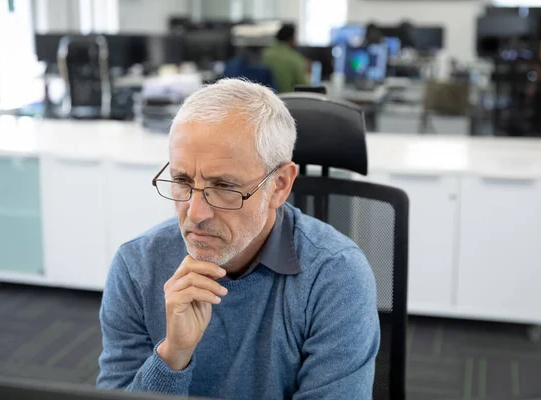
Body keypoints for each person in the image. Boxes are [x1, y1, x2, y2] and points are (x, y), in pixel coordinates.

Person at [96, 78, 380, 399]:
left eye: (225, 187)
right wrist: (172, 355)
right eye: (181, 180)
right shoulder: (137, 265)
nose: (195, 213)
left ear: (279, 186)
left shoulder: (336, 275)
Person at [261, 24, 309, 93]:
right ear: (291, 39)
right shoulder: (295, 58)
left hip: (268, 99)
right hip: (289, 100)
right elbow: (304, 86)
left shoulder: (265, 54)